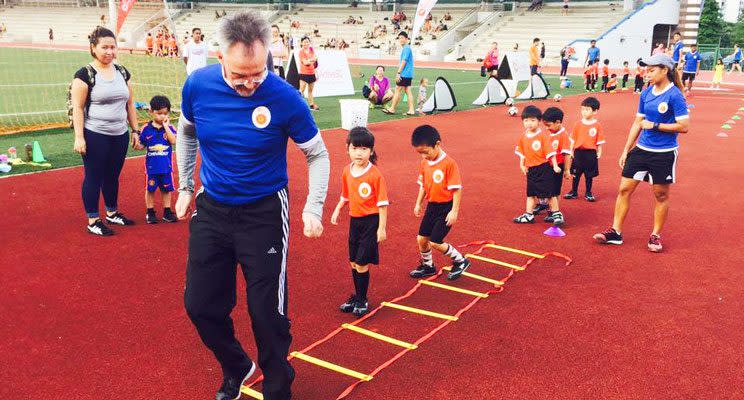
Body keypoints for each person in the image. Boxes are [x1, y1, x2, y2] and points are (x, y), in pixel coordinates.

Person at [176, 11, 329, 400]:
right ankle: (236, 365)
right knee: (200, 306)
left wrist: (313, 206)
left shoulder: (285, 96)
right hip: (212, 209)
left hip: (263, 212)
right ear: (220, 56)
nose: (249, 85)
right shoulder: (197, 85)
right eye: (239, 75)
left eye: (257, 74)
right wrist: (185, 185)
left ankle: (279, 388)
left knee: (267, 315)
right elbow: (187, 134)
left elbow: (318, 154)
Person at [593, 54, 689, 252]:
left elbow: (684, 126)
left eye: (652, 69)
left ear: (665, 70)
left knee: (661, 195)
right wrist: (626, 149)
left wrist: (655, 125)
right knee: (624, 189)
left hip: (664, 153)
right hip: (641, 150)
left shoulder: (675, 95)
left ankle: (655, 235)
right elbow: (638, 122)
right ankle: (616, 232)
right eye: (647, 69)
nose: (648, 73)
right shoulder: (646, 93)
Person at [70, 26, 141, 236]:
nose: (109, 52)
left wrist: (135, 131)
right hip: (95, 134)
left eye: (113, 47)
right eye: (104, 47)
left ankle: (112, 212)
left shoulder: (122, 71)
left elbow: (130, 104)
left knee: (112, 176)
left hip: (119, 134)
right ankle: (93, 219)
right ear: (93, 48)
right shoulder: (85, 75)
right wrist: (79, 137)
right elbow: (78, 108)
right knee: (94, 177)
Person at [330, 127, 389, 318]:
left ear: (371, 151)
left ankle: (362, 299)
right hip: (354, 221)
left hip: (371, 222)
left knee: (362, 262)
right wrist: (338, 208)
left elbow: (382, 205)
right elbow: (346, 194)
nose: (359, 153)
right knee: (354, 262)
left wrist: (381, 228)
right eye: (355, 148)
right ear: (348, 149)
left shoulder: (375, 175)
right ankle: (357, 296)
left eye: (364, 149)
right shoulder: (347, 170)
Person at [408, 125, 470, 280]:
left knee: (435, 241)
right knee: (421, 239)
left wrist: (454, 211)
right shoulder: (425, 163)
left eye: (426, 152)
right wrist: (418, 203)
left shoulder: (449, 164)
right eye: (420, 153)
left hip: (446, 208)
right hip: (432, 206)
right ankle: (428, 266)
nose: (423, 156)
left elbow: (457, 189)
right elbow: (423, 185)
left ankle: (461, 261)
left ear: (437, 144)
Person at [513, 106, 562, 224]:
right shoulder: (523, 137)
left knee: (550, 193)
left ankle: (556, 214)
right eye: (526, 120)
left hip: (544, 168)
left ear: (539, 121)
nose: (529, 123)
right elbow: (522, 153)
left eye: (532, 120)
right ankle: (529, 215)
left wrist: (555, 165)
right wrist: (522, 164)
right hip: (531, 169)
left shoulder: (543, 136)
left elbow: (550, 152)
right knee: (531, 193)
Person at [139, 95, 178, 224]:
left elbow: (173, 141)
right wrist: (136, 142)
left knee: (166, 189)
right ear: (151, 112)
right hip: (151, 168)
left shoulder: (170, 128)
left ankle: (167, 211)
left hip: (166, 167)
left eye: (165, 114)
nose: (162, 116)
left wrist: (166, 126)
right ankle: (150, 212)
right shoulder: (145, 129)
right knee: (150, 189)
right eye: (159, 113)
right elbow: (141, 145)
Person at [565, 97, 605, 202]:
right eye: (582, 109)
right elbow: (573, 139)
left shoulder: (597, 125)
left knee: (589, 175)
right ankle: (573, 191)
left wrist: (599, 151)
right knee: (575, 174)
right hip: (578, 153)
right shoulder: (578, 124)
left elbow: (599, 140)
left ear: (595, 111)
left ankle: (588, 192)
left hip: (590, 154)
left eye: (587, 109)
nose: (584, 112)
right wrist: (571, 151)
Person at [540, 107, 571, 225]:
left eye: (549, 125)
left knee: (554, 191)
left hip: (558, 167)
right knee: (549, 190)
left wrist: (567, 170)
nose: (547, 128)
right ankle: (551, 211)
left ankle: (555, 213)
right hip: (546, 166)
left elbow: (567, 154)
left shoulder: (563, 136)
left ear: (558, 122)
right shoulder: (548, 133)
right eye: (545, 126)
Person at [384, 31, 415, 116]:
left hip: (405, 74)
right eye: (399, 38)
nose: (400, 40)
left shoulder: (406, 48)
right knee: (407, 90)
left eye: (402, 38)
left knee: (398, 89)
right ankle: (411, 110)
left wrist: (398, 73)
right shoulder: (407, 48)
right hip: (408, 73)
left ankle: (392, 109)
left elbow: (404, 61)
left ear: (406, 39)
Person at [298, 36, 319, 111]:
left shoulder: (311, 49)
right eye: (304, 42)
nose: (306, 43)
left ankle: (311, 105)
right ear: (301, 43)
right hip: (304, 73)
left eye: (307, 42)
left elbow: (315, 58)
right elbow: (305, 63)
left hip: (312, 73)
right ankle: (299, 105)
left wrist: (310, 60)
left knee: (310, 91)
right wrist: (311, 60)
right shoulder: (301, 52)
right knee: (301, 91)